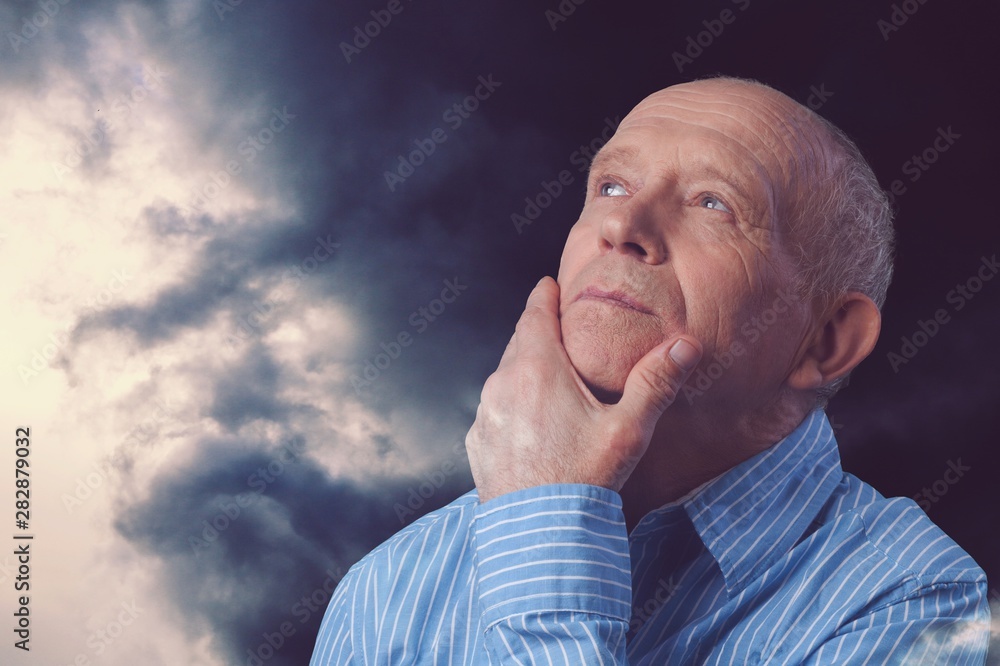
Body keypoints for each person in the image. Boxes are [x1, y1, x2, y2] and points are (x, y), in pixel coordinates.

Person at [310, 76, 991, 664]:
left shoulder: (911, 598)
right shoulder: (387, 587)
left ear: (827, 342)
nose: (623, 224)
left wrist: (544, 545)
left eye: (713, 203)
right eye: (610, 185)